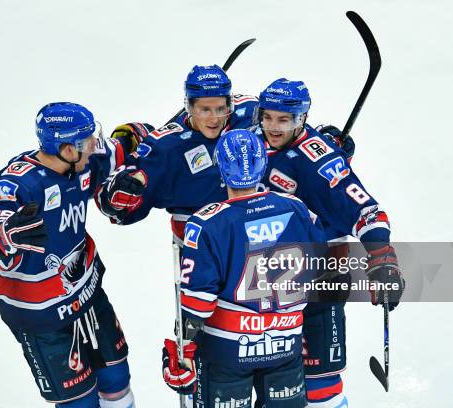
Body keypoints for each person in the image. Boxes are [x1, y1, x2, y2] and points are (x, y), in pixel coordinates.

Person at [252, 78, 405, 408]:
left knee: (320, 388)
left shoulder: (319, 161)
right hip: (264, 286)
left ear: (301, 119)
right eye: (268, 117)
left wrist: (383, 258)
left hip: (319, 281)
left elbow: (367, 211)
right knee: (271, 388)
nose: (274, 127)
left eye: (284, 119)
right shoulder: (252, 140)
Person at [0, 102, 137, 408]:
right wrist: (6, 234)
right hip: (44, 315)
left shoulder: (84, 161)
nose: (95, 146)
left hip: (87, 293)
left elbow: (124, 147)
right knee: (80, 402)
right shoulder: (20, 182)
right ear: (66, 149)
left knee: (117, 379)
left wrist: (154, 132)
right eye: (86, 141)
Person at [161, 129, 325, 407]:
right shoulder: (296, 208)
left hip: (227, 351)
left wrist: (182, 348)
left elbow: (197, 303)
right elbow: (319, 265)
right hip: (285, 346)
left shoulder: (207, 223)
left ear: (221, 168)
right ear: (263, 165)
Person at [96, 64, 258, 244]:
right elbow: (114, 205)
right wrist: (120, 194)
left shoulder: (249, 112)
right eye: (204, 110)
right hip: (200, 245)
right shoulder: (164, 149)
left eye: (220, 109)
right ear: (189, 107)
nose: (214, 118)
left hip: (257, 234)